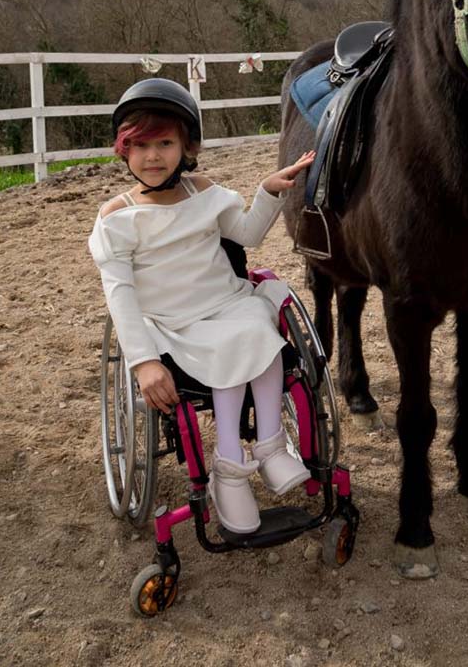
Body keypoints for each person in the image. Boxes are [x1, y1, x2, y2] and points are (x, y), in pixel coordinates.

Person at [89, 78, 316, 535]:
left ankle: (270, 444)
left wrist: (269, 191)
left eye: (165, 143)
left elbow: (248, 235)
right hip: (172, 322)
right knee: (234, 340)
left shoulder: (205, 192)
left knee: (259, 323)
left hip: (224, 301)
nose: (153, 156)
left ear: (186, 145)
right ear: (125, 151)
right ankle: (229, 465)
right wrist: (144, 363)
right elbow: (121, 297)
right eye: (141, 145)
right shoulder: (117, 218)